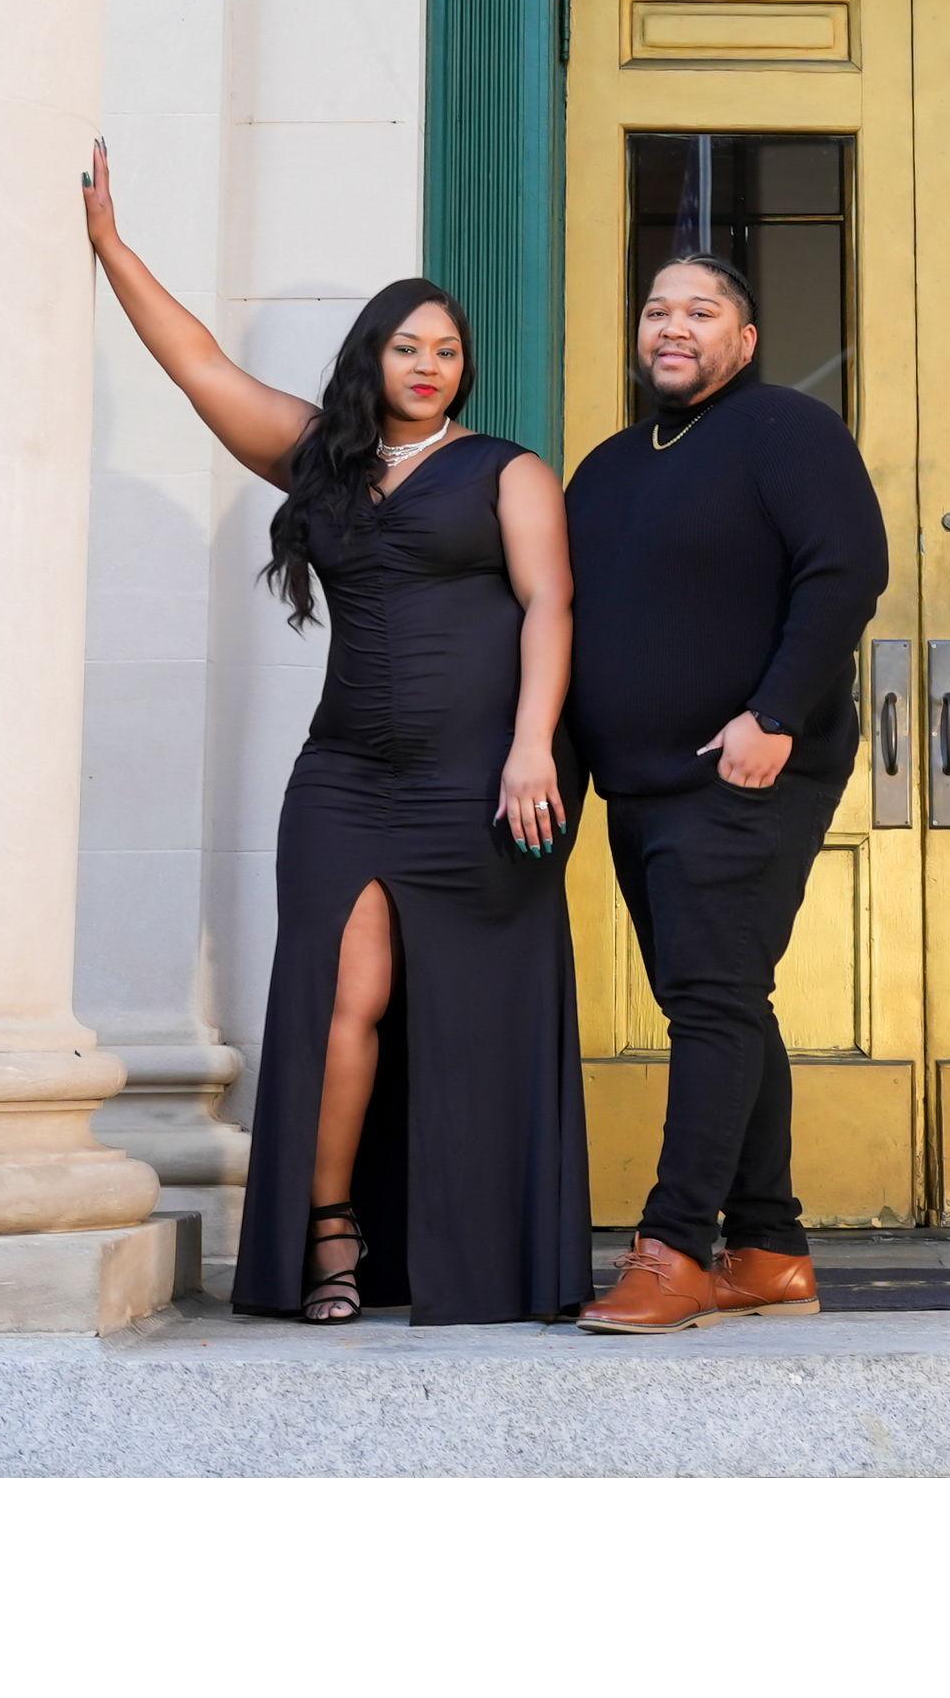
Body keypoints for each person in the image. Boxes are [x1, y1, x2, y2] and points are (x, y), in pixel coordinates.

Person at [81, 148, 590, 1325]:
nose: (429, 366)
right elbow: (199, 365)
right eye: (408, 347)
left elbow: (551, 605)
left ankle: (473, 1250)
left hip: (481, 777)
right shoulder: (317, 459)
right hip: (346, 777)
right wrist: (112, 249)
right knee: (343, 997)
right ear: (373, 357)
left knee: (464, 1011)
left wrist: (532, 746)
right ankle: (329, 1230)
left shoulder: (508, 472)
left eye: (447, 351)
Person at [563, 250, 892, 1334]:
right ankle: (769, 1250)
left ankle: (672, 1251)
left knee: (711, 1001)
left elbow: (847, 569)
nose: (673, 326)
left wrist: (776, 715)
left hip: (747, 769)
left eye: (701, 311)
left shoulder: (786, 430)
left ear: (743, 342)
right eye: (657, 308)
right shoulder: (607, 468)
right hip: (638, 786)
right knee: (722, 1001)